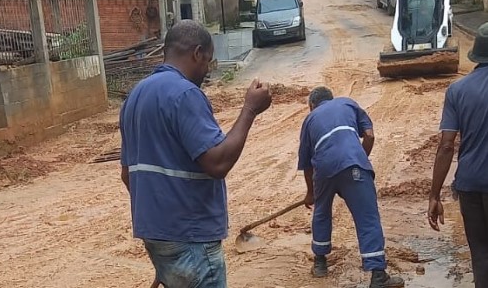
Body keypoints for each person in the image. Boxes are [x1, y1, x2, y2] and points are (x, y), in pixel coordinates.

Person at [119, 19, 272, 287]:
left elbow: (127, 174)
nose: (207, 70)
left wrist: (164, 242)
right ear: (197, 53)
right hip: (191, 237)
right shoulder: (185, 94)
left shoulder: (135, 97)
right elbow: (218, 163)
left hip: (158, 234)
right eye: (208, 61)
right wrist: (250, 110)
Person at [297, 87, 404, 288]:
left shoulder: (309, 120)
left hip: (324, 170)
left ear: (312, 105)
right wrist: (359, 159)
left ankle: (320, 264)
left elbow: (306, 164)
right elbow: (369, 135)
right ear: (331, 99)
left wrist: (311, 194)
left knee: (321, 212)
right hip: (354, 165)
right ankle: (378, 276)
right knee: (367, 217)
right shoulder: (347, 103)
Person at [428, 22, 488, 288]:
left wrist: (434, 194)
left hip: (470, 184)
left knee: (480, 253)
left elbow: (446, 146)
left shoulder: (457, 90)